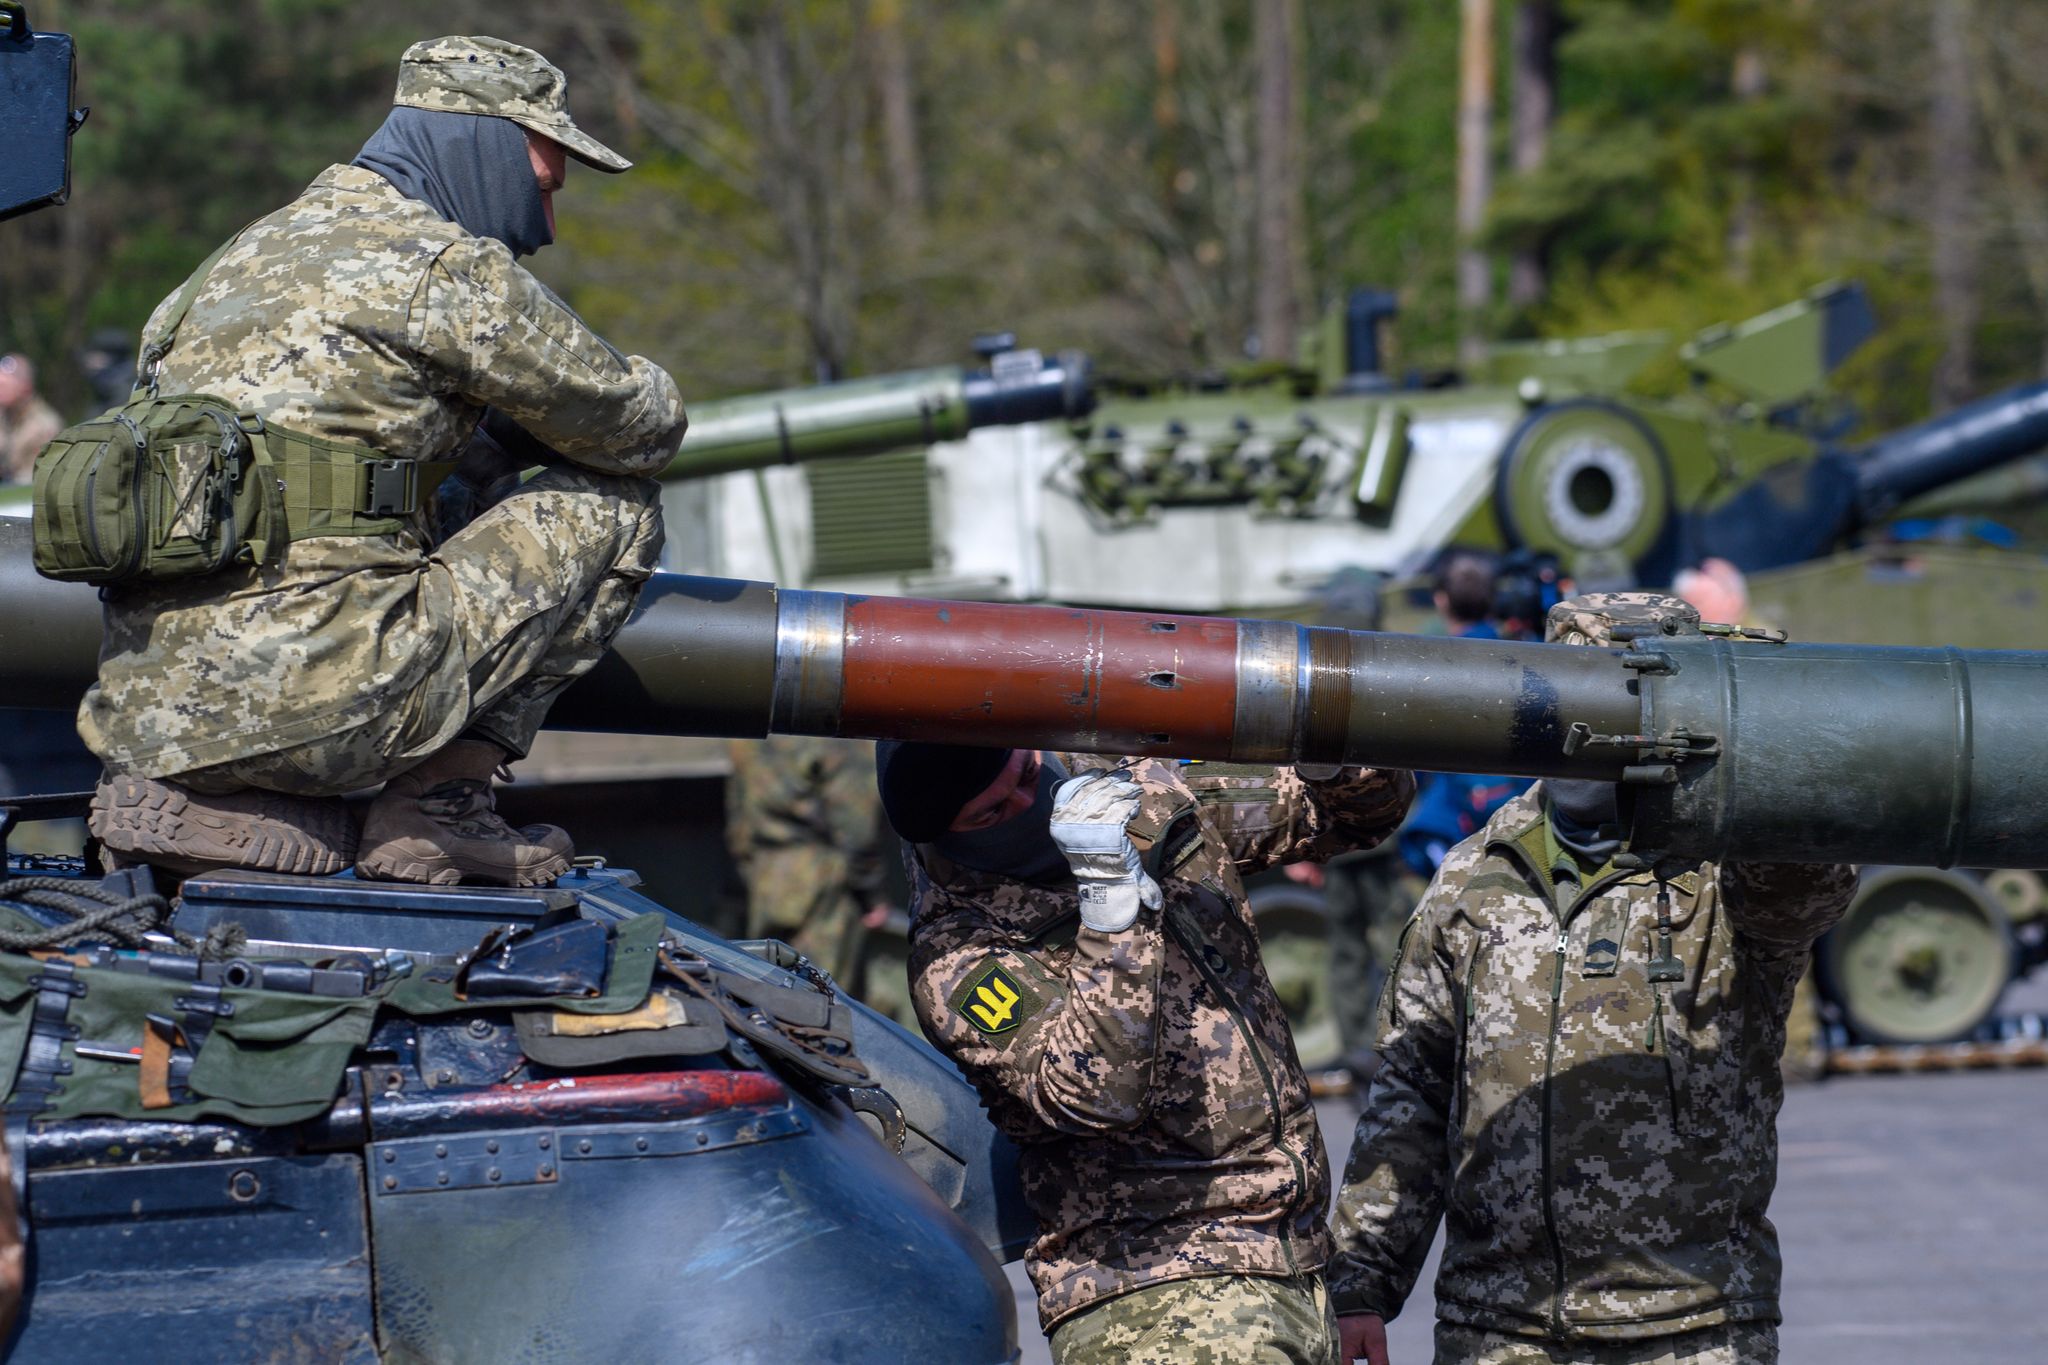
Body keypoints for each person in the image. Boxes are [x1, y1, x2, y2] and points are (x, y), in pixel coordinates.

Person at [76, 35, 688, 886]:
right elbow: (642, 426)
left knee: (425, 484)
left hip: (145, 718)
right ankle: (437, 811)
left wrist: (475, 455)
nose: (545, 224)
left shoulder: (223, 268)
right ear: (482, 142)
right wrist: (529, 431)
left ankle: (215, 799)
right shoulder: (439, 267)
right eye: (545, 185)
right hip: (328, 701)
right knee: (619, 505)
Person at [1328, 593, 1859, 1365]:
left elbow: (1805, 886)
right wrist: (1361, 1285)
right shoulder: (1476, 879)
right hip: (1499, 1326)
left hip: (1693, 1323)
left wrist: (1756, 737)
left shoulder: (1725, 868)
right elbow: (1413, 1091)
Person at [879, 742, 1415, 1364]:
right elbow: (1099, 1095)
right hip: (1157, 1292)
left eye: (1027, 775)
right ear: (949, 836)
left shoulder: (1130, 796)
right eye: (991, 814)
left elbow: (1346, 813)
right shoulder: (958, 955)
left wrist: (1320, 738)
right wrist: (1111, 910)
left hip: (1290, 1257)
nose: (1030, 805)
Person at [724, 734, 890, 992]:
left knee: (771, 988)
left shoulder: (753, 734)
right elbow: (856, 826)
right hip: (823, 881)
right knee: (824, 995)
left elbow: (738, 814)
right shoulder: (837, 739)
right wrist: (871, 895)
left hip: (765, 877)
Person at [0, 353, 62, 484]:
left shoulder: (44, 425)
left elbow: (41, 477)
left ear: (25, 387)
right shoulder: (4, 417)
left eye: (4, 386)